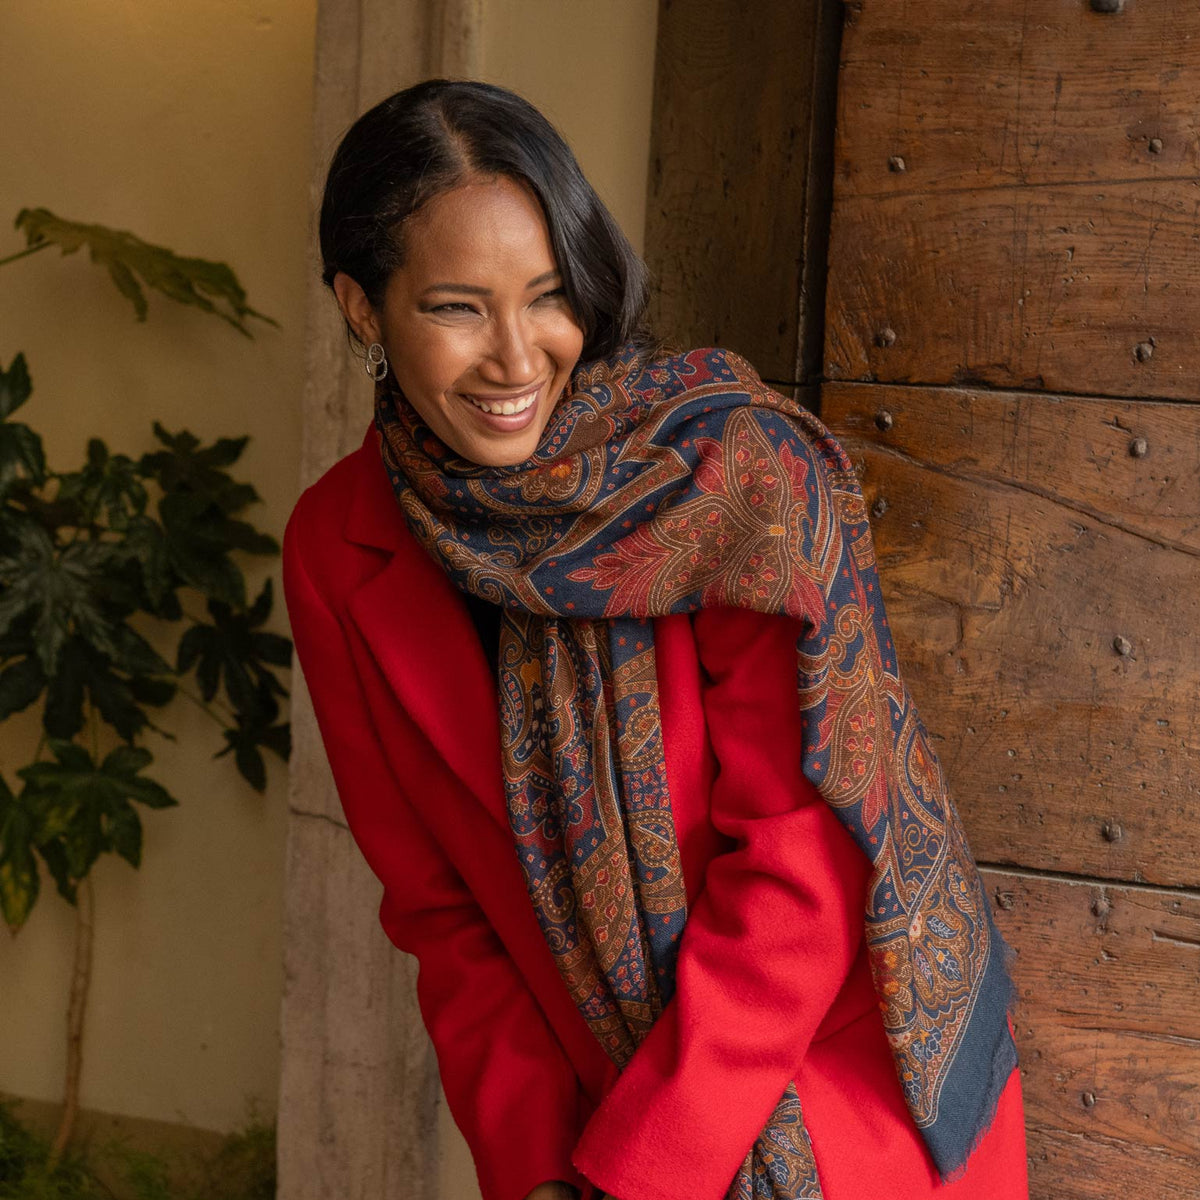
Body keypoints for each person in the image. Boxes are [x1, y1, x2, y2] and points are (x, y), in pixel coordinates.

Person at [283, 78, 1029, 1200]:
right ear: (360, 307)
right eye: (454, 307)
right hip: (590, 1125)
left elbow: (802, 869)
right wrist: (548, 1172)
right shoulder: (338, 548)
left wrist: (640, 1175)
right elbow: (445, 918)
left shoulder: (730, 481)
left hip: (837, 1100)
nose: (517, 357)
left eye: (546, 296)